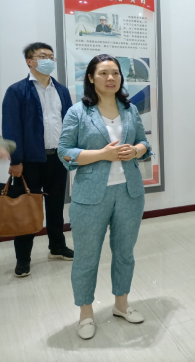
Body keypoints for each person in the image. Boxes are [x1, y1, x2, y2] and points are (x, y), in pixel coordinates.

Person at [58, 54, 152, 340]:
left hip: (129, 193)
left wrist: (135, 150)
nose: (110, 78)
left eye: (115, 73)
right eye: (103, 73)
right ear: (91, 77)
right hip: (90, 196)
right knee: (86, 257)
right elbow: (65, 152)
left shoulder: (130, 109)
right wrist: (102, 154)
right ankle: (86, 313)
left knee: (124, 252)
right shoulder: (78, 112)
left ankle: (121, 304)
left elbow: (144, 144)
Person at [1, 42, 74, 278]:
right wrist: (16, 160)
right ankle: (23, 258)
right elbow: (11, 128)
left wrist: (70, 151)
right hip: (29, 161)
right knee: (26, 209)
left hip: (58, 158)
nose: (48, 60)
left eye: (51, 57)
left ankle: (57, 246)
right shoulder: (17, 91)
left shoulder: (61, 90)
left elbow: (70, 123)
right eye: (43, 56)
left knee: (56, 206)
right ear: (29, 61)